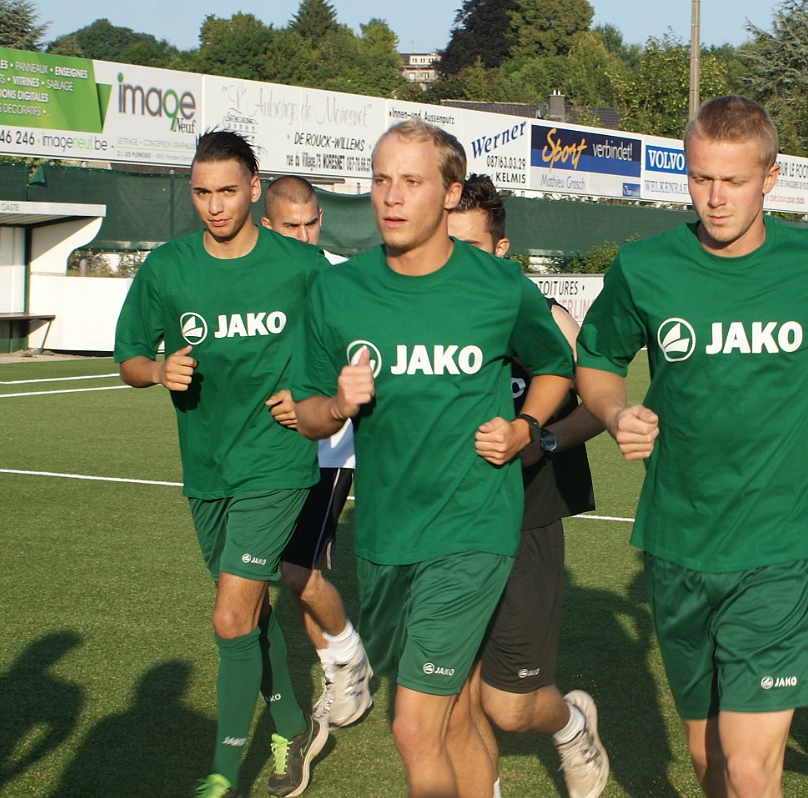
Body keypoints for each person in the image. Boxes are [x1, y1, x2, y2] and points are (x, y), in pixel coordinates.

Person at [575, 95, 808, 797]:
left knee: (750, 770)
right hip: (678, 541)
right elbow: (595, 361)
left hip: (781, 543)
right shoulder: (644, 265)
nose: (715, 199)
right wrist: (614, 408)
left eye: (734, 181)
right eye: (699, 179)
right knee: (710, 763)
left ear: (769, 179)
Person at [289, 120, 575, 798]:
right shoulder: (338, 291)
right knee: (451, 719)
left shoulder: (497, 287)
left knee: (413, 726)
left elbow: (555, 366)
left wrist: (524, 427)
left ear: (449, 193)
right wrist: (335, 405)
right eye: (381, 180)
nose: (390, 197)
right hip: (387, 539)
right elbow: (303, 412)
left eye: (410, 182)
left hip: (472, 529)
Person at [114, 131, 329, 798]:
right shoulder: (167, 268)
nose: (214, 205)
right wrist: (157, 369)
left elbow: (349, 339)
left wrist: (316, 401)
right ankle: (293, 723)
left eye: (227, 190)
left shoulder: (301, 266)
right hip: (206, 467)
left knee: (230, 619)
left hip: (278, 460)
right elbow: (127, 359)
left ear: (254, 188)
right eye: (202, 192)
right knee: (246, 617)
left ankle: (222, 770)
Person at [447, 174, 610, 798]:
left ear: (501, 249)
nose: (457, 258)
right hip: (448, 528)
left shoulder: (546, 318)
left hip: (526, 523)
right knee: (452, 696)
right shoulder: (425, 319)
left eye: (471, 245)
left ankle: (570, 725)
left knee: (508, 706)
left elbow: (598, 406)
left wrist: (537, 438)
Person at [260, 175, 372, 731]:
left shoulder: (335, 285)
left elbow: (355, 365)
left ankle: (350, 658)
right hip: (271, 452)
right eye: (291, 226)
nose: (304, 236)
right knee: (288, 576)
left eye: (311, 224)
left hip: (329, 451)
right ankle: (338, 672)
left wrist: (314, 402)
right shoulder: (259, 282)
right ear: (267, 226)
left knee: (294, 568)